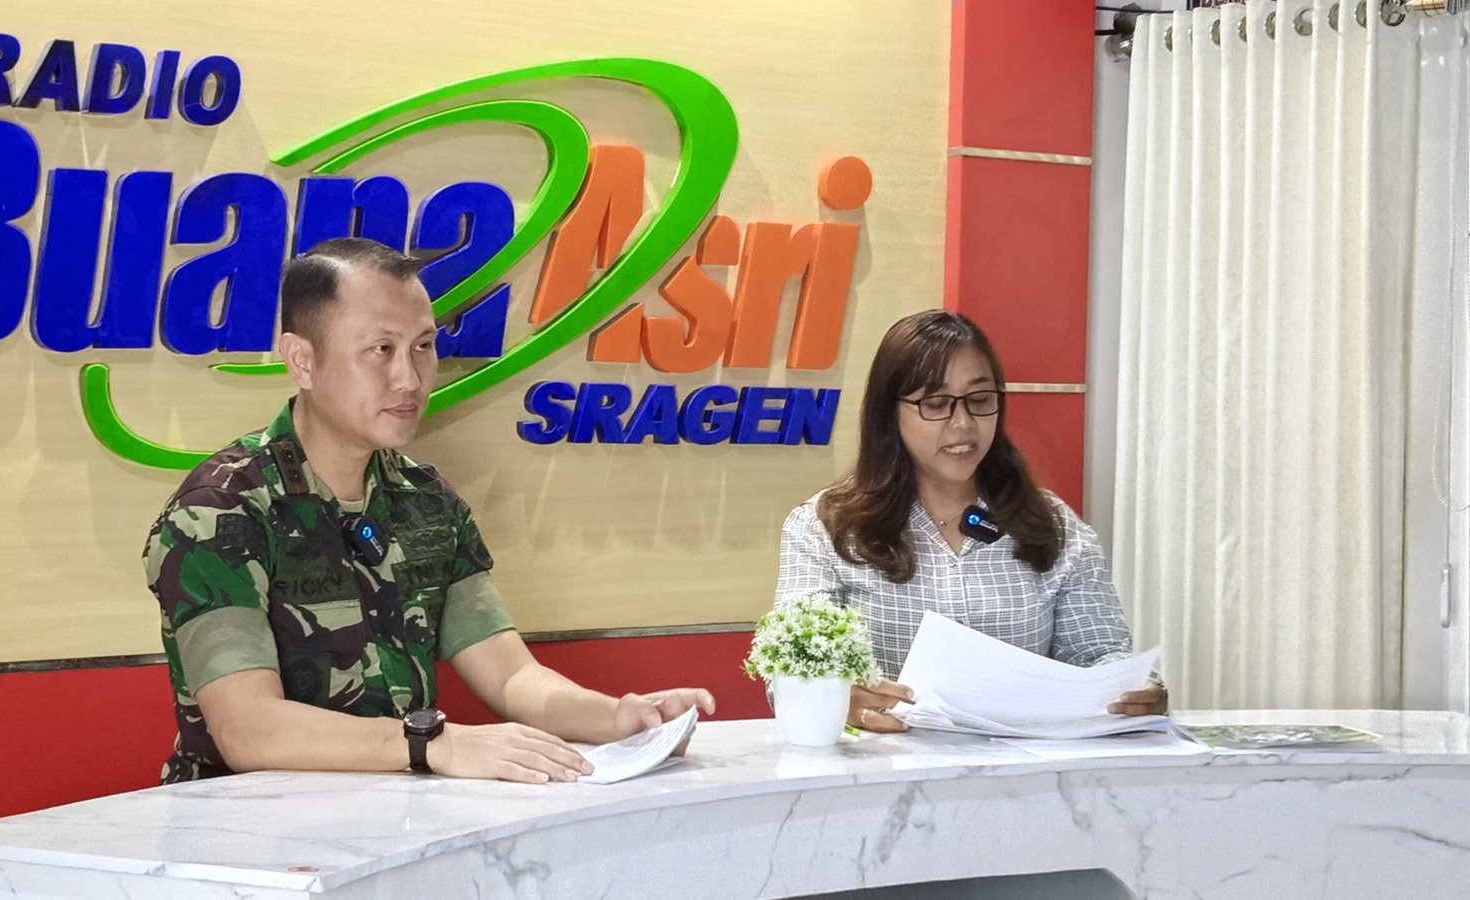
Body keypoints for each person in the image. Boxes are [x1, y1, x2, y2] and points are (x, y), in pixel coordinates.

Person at [143, 238, 714, 784]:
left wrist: (618, 718)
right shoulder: (220, 509)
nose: (409, 378)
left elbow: (510, 675)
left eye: (423, 346)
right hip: (245, 830)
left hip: (396, 816)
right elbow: (250, 730)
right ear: (303, 360)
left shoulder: (424, 498)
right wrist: (429, 743)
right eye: (381, 350)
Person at [772, 310, 1166, 733]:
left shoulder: (1053, 526)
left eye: (979, 400)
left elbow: (1101, 654)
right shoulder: (826, 527)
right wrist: (830, 696)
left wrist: (1136, 690)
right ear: (890, 413)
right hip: (884, 761)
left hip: (1023, 762)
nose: (963, 424)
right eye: (935, 404)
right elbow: (791, 666)